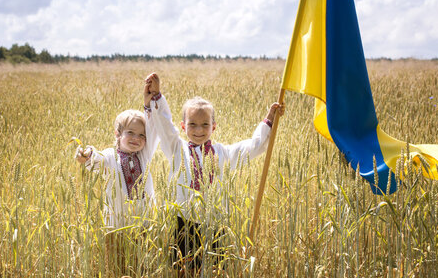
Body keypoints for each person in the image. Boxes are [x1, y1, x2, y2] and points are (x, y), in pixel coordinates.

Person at [143, 72, 284, 274]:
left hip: (215, 225)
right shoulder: (176, 149)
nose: (198, 130)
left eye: (205, 125)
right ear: (183, 126)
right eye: (192, 124)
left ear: (214, 127)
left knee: (216, 271)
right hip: (184, 226)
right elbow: (165, 126)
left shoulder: (223, 153)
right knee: (184, 271)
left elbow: (252, 147)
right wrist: (157, 96)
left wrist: (270, 120)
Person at [74, 82, 160, 275]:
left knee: (142, 265)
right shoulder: (110, 156)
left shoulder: (144, 156)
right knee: (117, 267)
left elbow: (155, 130)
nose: (136, 138)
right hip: (116, 226)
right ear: (117, 134)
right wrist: (86, 154)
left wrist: (148, 104)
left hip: (143, 223)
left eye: (141, 135)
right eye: (130, 133)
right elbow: (94, 157)